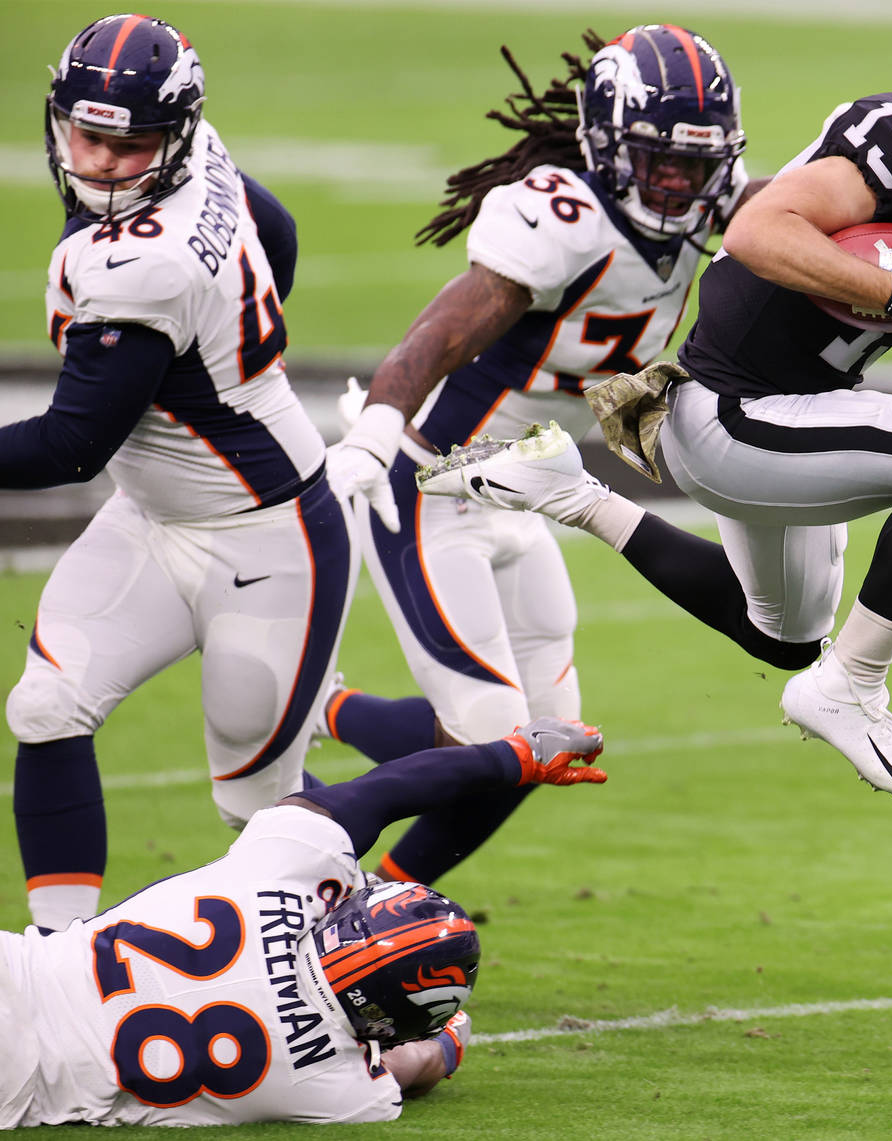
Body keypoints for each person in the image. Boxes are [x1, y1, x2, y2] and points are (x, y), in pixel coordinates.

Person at [415, 5, 892, 803]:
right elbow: (760, 230)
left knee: (783, 637)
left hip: (791, 406)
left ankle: (572, 493)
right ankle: (853, 686)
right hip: (736, 413)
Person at [322, 25, 761, 883]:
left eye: (695, 164)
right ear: (605, 141)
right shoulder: (561, 214)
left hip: (523, 492)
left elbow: (796, 212)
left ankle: (373, 850)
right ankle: (351, 901)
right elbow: (446, 331)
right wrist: (378, 427)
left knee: (549, 742)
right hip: (433, 485)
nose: (678, 182)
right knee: (497, 741)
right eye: (658, 159)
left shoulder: (720, 195)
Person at [1, 15, 358, 931]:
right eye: (89, 136)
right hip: (155, 516)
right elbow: (272, 228)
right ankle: (57, 957)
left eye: (133, 145)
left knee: (257, 808)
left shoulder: (143, 265)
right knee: (47, 704)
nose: (107, 163)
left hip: (269, 537)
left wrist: (216, 336)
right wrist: (232, 337)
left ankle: (365, 952)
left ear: (177, 131)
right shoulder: (200, 156)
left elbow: (67, 447)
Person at [0, 715, 605, 1127]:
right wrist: (450, 1039)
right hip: (24, 1085)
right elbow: (417, 1066)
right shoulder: (330, 1085)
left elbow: (380, 792)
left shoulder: (278, 872)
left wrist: (514, 756)